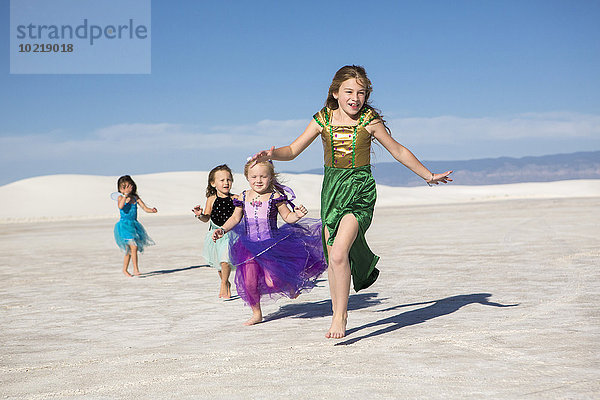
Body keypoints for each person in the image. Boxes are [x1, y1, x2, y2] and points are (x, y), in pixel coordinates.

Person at [251, 65, 452, 338]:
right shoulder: (322, 119)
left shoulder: (368, 120)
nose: (355, 98)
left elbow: (398, 150)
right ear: (335, 93)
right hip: (332, 190)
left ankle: (340, 316)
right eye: (349, 91)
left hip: (359, 189)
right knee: (334, 258)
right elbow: (294, 150)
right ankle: (338, 310)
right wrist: (273, 155)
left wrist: (427, 175)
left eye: (361, 92)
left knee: (337, 253)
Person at [213, 159, 327, 326]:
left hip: (272, 245)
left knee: (271, 281)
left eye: (263, 176)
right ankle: (256, 313)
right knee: (249, 282)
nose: (258, 180)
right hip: (249, 247)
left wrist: (297, 215)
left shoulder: (275, 197)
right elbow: (235, 218)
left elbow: (288, 217)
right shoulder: (242, 197)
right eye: (254, 177)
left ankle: (289, 284)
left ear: (271, 177)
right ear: (247, 177)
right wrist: (222, 229)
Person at [193, 164, 236, 299]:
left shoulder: (236, 198)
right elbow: (206, 218)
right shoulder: (211, 199)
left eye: (228, 179)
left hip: (230, 235)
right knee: (219, 264)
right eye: (222, 180)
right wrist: (200, 215)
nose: (226, 183)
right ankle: (226, 282)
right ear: (213, 183)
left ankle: (223, 283)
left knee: (225, 260)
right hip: (215, 235)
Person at [113, 175, 158, 277]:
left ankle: (125, 270)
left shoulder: (135, 198)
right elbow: (120, 206)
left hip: (134, 224)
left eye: (129, 186)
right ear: (120, 189)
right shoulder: (121, 197)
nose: (127, 188)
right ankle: (136, 270)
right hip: (124, 225)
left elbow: (145, 208)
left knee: (130, 250)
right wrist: (125, 195)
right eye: (124, 187)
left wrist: (152, 210)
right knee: (134, 246)